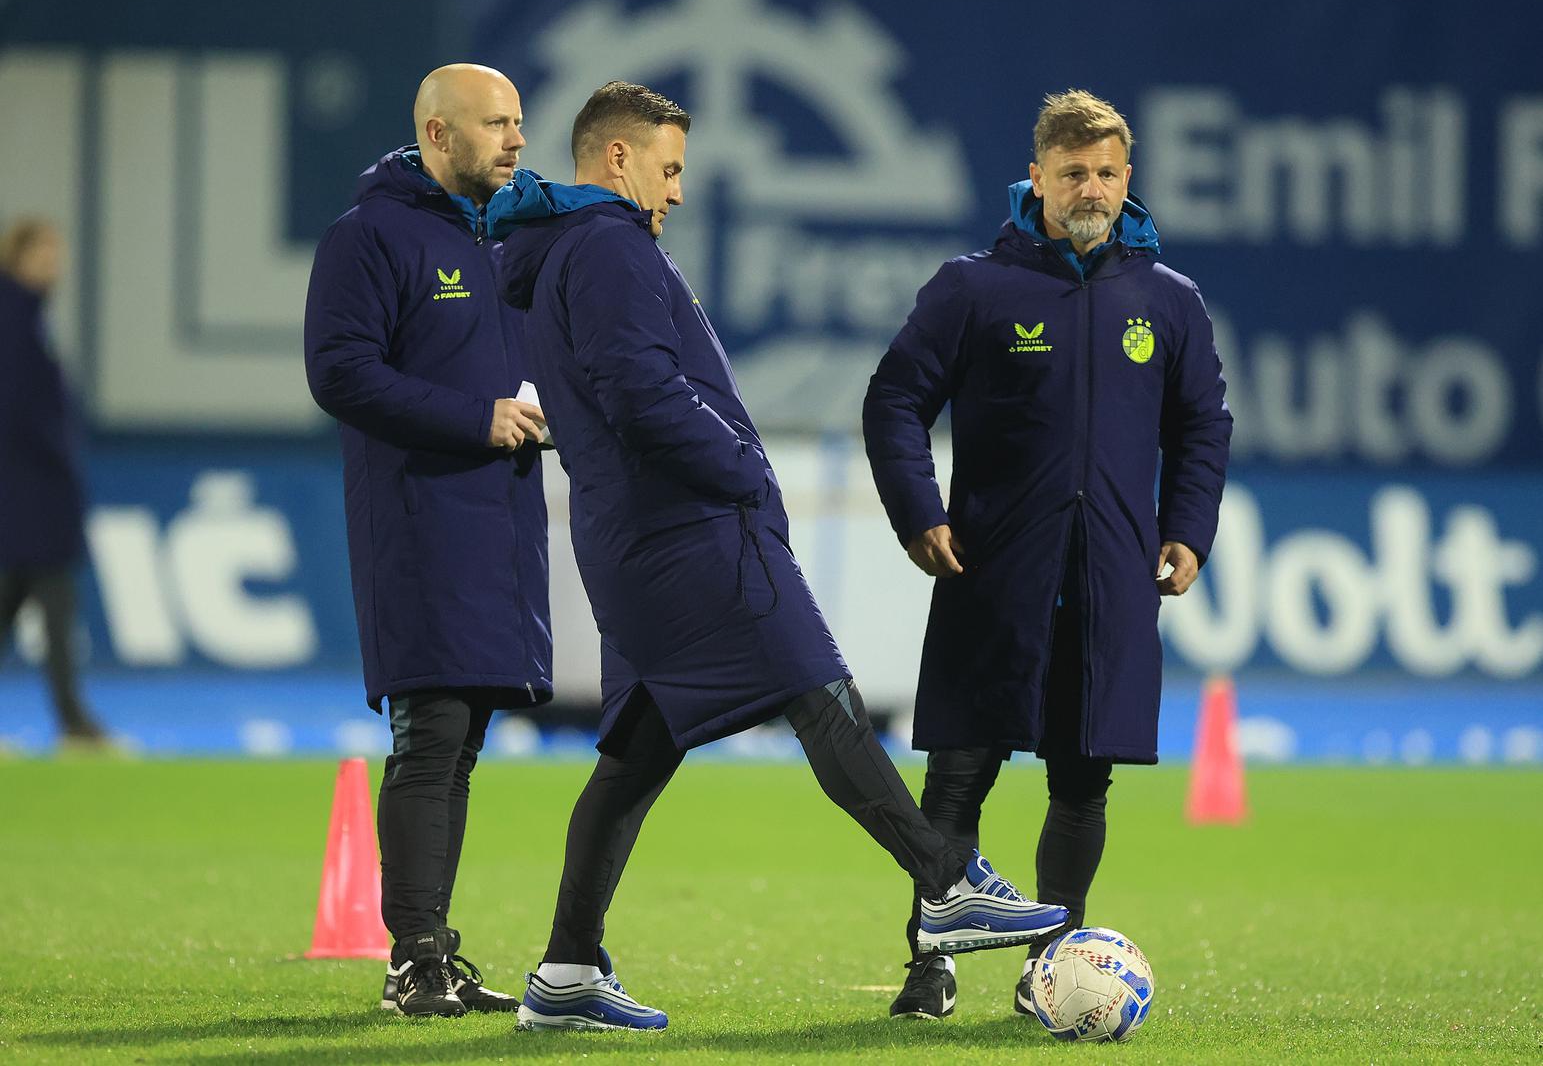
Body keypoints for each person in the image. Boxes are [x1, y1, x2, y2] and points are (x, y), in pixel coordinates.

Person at [495, 80, 1068, 1032]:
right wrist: (743, 467)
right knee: (817, 692)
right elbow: (641, 393)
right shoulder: (607, 246)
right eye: (668, 170)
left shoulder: (559, 255)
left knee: (637, 754)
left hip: (629, 539)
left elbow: (607, 394)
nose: (675, 193)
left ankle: (563, 973)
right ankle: (944, 882)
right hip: (688, 533)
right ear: (615, 159)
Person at [863, 89, 1232, 1021]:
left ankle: (1055, 972)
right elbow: (894, 400)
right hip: (990, 570)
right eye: (1073, 173)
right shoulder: (974, 287)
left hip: (1108, 576)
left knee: (1080, 778)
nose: (1091, 190)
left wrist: (1186, 527)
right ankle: (928, 966)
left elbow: (1202, 425)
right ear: (1036, 176)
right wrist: (918, 511)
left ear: (1127, 178)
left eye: (1107, 173)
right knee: (958, 775)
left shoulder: (1168, 300)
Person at [303, 63, 553, 1018]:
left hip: (499, 522)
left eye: (519, 122)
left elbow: (529, 367)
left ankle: (431, 954)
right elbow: (339, 373)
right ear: (438, 135)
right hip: (417, 517)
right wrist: (472, 421)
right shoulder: (370, 236)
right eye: (496, 124)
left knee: (458, 743)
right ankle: (411, 959)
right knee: (431, 733)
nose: (516, 140)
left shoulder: (511, 240)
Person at [0, 218, 111, 750]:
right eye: (44, 252)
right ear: (18, 258)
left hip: (29, 500)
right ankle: (75, 725)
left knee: (33, 607)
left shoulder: (27, 315)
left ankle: (74, 721)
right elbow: (21, 410)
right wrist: (60, 458)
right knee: (57, 613)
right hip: (28, 498)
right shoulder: (15, 316)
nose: (54, 263)